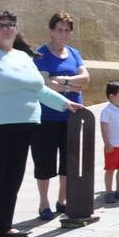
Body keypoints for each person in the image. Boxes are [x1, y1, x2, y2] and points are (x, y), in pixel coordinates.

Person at [0, 11, 81, 237]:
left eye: (10, 25)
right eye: (1, 25)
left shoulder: (23, 57)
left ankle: (3, 226)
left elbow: (38, 89)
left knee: (13, 178)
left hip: (26, 124)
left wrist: (64, 103)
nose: (6, 29)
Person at [31, 11, 90, 220]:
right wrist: (71, 82)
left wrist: (61, 80)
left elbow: (85, 78)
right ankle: (44, 202)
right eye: (59, 30)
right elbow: (46, 83)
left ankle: (62, 199)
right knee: (45, 161)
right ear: (51, 31)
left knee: (69, 160)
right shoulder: (41, 54)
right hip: (47, 116)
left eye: (67, 30)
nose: (63, 34)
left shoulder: (74, 53)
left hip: (72, 115)